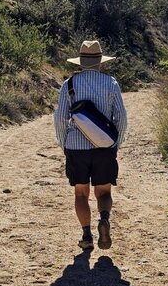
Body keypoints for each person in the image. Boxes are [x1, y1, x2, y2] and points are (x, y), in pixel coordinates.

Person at [54, 40, 128, 250]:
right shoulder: (111, 83)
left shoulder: (69, 84)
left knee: (80, 194)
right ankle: (104, 218)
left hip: (76, 148)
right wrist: (115, 143)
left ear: (80, 62)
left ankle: (86, 235)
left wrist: (64, 144)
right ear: (100, 62)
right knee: (103, 193)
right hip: (104, 147)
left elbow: (60, 118)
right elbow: (121, 117)